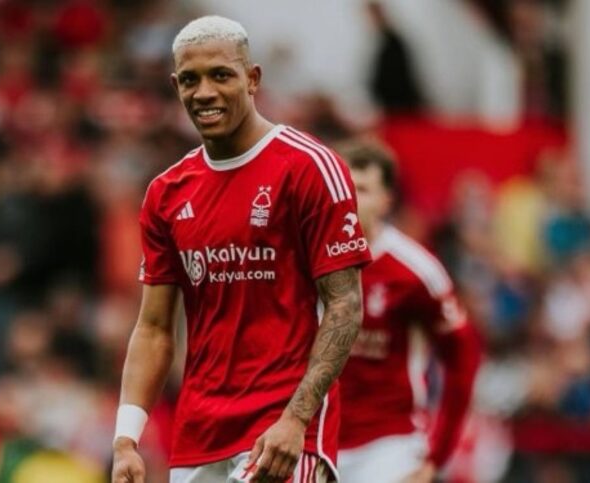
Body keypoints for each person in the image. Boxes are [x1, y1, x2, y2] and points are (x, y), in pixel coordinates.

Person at [111, 16, 371, 483]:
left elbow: (345, 304)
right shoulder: (166, 193)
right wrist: (126, 438)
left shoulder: (309, 167)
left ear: (252, 79)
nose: (204, 92)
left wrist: (297, 420)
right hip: (199, 437)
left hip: (282, 432)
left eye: (221, 75)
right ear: (174, 86)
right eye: (190, 80)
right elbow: (153, 328)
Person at [335, 140, 480, 483]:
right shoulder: (305, 261)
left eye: (362, 189)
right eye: (342, 188)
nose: (349, 199)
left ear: (386, 200)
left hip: (388, 446)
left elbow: (463, 359)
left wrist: (437, 455)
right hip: (315, 440)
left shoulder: (415, 272)